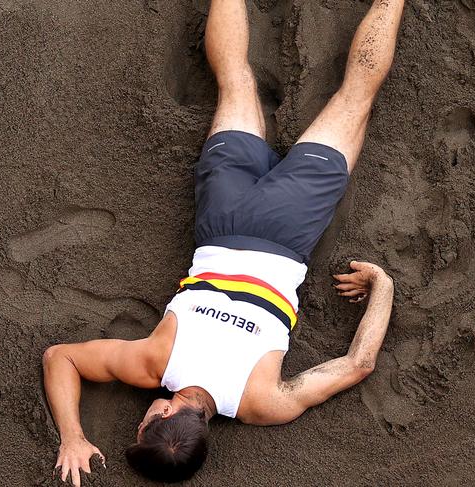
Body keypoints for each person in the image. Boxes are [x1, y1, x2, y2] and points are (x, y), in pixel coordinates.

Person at [43, 0, 404, 484]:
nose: (140, 418)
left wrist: (383, 286)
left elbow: (358, 364)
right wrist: (72, 434)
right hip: (223, 220)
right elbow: (59, 357)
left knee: (355, 97)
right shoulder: (154, 363)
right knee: (235, 79)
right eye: (142, 425)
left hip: (287, 231)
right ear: (167, 415)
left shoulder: (261, 402)